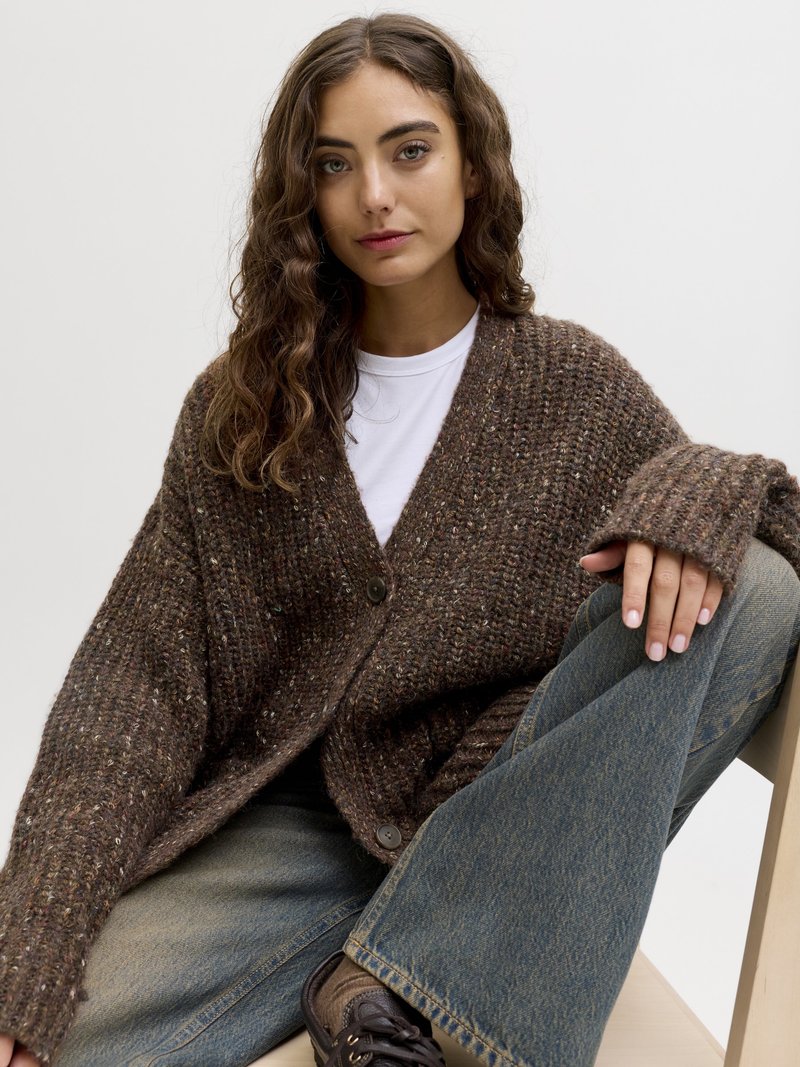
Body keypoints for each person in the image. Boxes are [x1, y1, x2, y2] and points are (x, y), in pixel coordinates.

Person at [2, 11, 799, 1067]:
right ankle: (406, 968)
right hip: (283, 845)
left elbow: (779, 539)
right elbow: (131, 693)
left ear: (473, 164)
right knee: (54, 1038)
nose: (374, 195)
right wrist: (29, 949)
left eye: (409, 150)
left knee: (755, 587)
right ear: (303, 197)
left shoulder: (572, 389)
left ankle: (401, 980)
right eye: (335, 165)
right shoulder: (243, 410)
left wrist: (704, 481)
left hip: (493, 817)